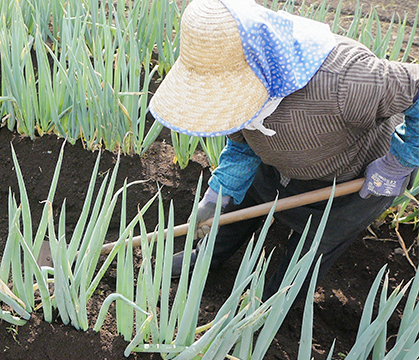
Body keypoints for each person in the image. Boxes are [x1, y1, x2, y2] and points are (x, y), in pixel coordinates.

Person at [149, 0, 419, 301]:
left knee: (310, 250)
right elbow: (241, 142)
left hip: (350, 182)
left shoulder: (347, 79)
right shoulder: (230, 85)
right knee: (234, 208)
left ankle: (270, 305)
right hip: (277, 159)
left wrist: (399, 161)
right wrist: (219, 193)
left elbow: (417, 88)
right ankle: (205, 257)